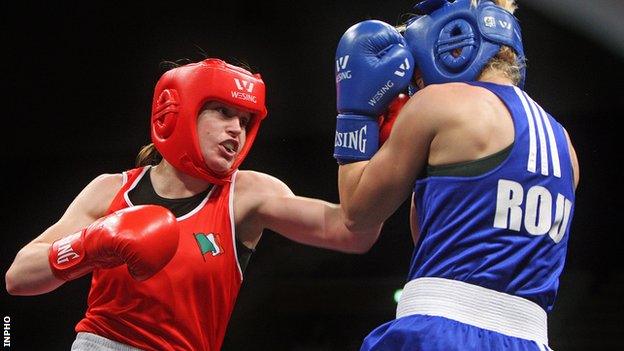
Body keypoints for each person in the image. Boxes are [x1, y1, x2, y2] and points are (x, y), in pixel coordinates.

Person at [5, 58, 381, 350]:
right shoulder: (110, 190)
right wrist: (89, 245)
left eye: (246, 120)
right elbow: (18, 278)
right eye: (223, 112)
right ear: (179, 111)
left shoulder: (247, 194)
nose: (237, 128)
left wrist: (368, 130)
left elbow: (352, 232)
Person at [332, 0, 580, 350]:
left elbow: (357, 212)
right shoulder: (564, 144)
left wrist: (356, 115)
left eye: (417, 73)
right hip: (531, 339)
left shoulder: (439, 103)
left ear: (451, 43)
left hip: (439, 331)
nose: (416, 82)